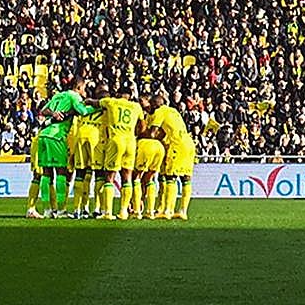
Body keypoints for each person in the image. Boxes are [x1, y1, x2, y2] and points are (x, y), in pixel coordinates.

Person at [27, 77, 97, 219]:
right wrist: (98, 106)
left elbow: (43, 110)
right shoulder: (74, 96)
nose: (84, 91)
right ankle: (61, 210)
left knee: (46, 175)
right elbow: (83, 111)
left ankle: (47, 210)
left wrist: (53, 113)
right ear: (79, 87)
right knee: (61, 174)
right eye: (83, 88)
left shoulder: (58, 95)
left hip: (43, 135)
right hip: (57, 136)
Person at [98, 87, 144, 220]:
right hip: (130, 142)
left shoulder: (111, 102)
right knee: (127, 176)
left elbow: (95, 102)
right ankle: (124, 212)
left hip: (116, 140)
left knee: (110, 176)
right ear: (130, 95)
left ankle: (108, 213)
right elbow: (142, 125)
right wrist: (135, 134)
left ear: (118, 94)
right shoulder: (136, 107)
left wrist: (88, 100)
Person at [149, 91, 196, 221]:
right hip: (189, 143)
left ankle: (167, 211)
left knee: (171, 177)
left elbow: (153, 133)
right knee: (186, 179)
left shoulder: (159, 112)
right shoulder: (173, 111)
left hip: (177, 144)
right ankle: (183, 211)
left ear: (155, 105)